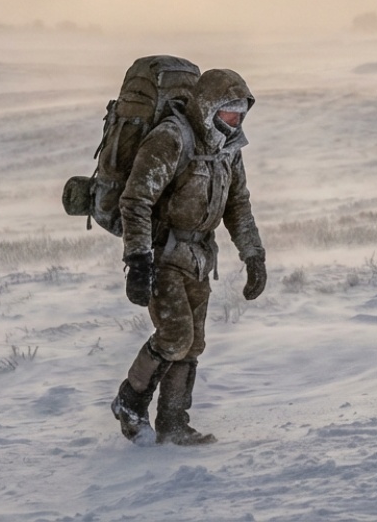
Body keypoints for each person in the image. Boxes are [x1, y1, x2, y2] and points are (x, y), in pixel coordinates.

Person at [110, 68, 267, 446]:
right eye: (229, 112)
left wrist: (253, 255)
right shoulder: (171, 138)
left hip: (199, 257)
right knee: (175, 335)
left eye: (241, 113)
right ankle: (129, 401)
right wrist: (138, 260)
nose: (236, 120)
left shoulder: (229, 149)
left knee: (192, 343)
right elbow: (136, 200)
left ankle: (173, 423)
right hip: (162, 253)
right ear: (209, 106)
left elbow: (238, 205)